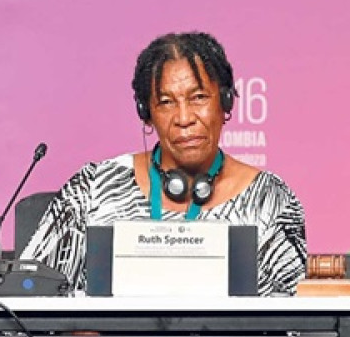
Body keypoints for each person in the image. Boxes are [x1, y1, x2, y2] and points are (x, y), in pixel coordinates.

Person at [19, 32, 306, 296]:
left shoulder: (270, 200)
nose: (184, 118)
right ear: (146, 112)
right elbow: (30, 299)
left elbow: (297, 326)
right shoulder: (93, 189)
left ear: (226, 102)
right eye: (166, 102)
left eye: (199, 98)